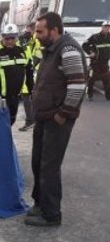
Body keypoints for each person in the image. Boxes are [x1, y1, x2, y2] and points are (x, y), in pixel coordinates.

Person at [25, 12, 86, 227]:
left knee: (49, 165)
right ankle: (40, 204)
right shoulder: (51, 49)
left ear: (54, 30)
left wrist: (62, 115)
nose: (37, 36)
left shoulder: (68, 50)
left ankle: (51, 215)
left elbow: (78, 86)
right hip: (44, 117)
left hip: (56, 119)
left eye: (40, 32)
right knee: (38, 162)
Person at [19, 23, 42, 131]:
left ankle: (31, 120)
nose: (26, 33)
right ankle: (33, 119)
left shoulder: (37, 41)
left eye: (28, 31)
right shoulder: (27, 40)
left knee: (27, 95)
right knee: (28, 95)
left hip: (36, 71)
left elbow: (38, 56)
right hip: (30, 71)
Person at [81, 19, 110, 101]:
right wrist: (90, 52)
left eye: (108, 27)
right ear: (102, 27)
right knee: (91, 79)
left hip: (105, 63)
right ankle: (89, 95)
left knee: (107, 80)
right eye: (105, 27)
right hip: (95, 62)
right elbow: (84, 45)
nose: (107, 28)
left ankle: (108, 96)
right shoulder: (95, 37)